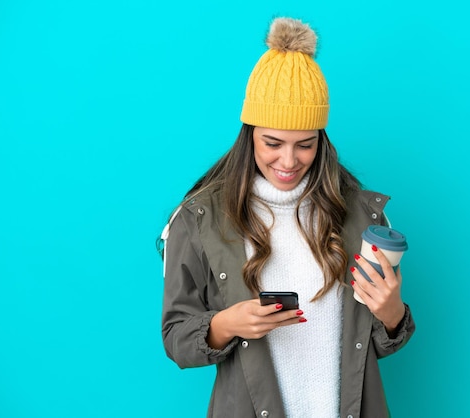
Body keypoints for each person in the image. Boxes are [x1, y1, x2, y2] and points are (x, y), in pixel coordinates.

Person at [160, 17, 415, 418]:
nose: (288, 161)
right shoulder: (198, 219)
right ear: (249, 135)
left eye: (305, 145)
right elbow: (177, 339)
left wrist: (392, 309)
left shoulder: (362, 217)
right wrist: (227, 323)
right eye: (272, 142)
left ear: (322, 141)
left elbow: (383, 344)